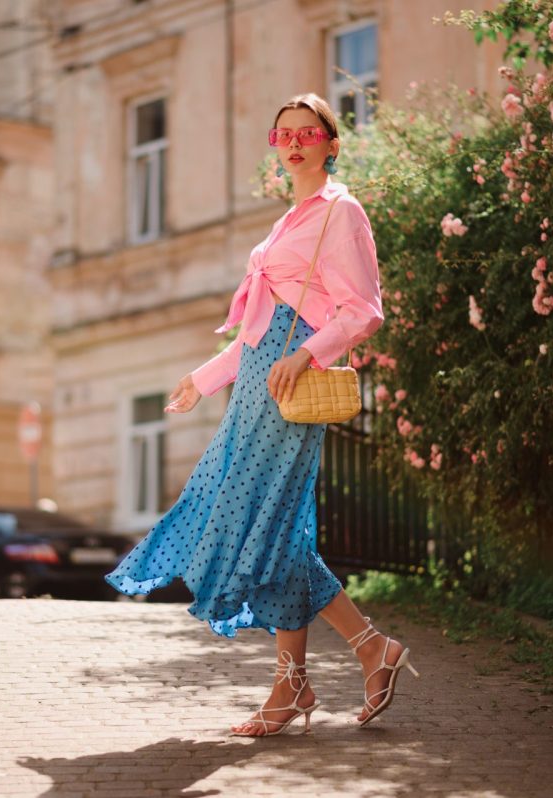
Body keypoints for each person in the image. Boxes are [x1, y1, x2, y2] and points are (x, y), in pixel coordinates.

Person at [105, 93, 419, 737]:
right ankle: (324, 670)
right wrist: (204, 376)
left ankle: (336, 664)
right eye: (284, 134)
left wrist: (306, 354)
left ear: (332, 143)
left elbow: (362, 311)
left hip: (289, 389)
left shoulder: (342, 213)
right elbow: (253, 333)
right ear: (275, 147)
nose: (296, 142)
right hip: (256, 387)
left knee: (259, 525)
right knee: (279, 531)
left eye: (310, 132)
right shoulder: (288, 222)